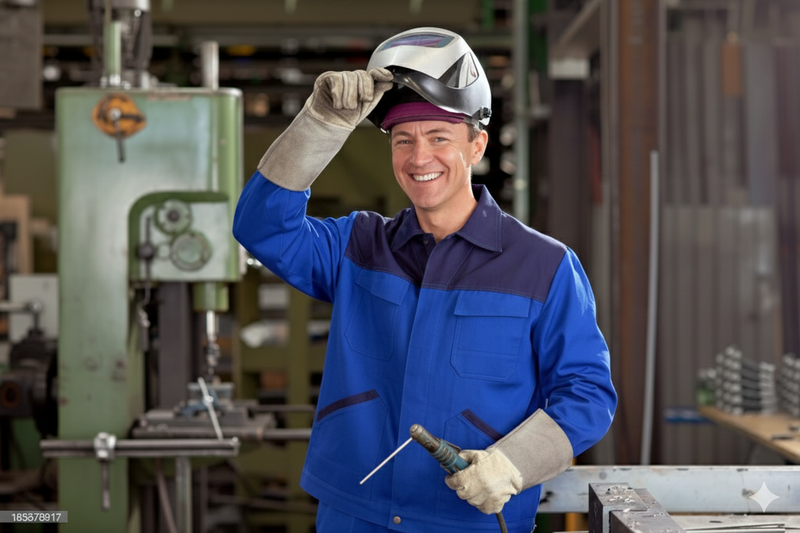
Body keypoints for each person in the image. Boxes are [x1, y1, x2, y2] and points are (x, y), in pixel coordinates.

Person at [233, 26, 617, 533]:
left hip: (467, 515)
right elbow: (261, 228)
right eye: (403, 140)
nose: (419, 158)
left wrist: (513, 464)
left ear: (477, 145)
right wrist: (318, 125)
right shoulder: (358, 246)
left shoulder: (543, 266)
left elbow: (587, 394)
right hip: (354, 510)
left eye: (439, 138)